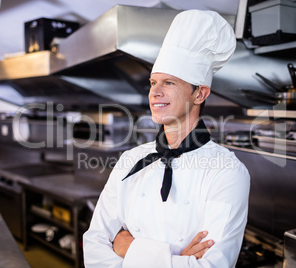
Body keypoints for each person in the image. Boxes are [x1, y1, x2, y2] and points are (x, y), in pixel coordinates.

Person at [83, 9, 250, 267]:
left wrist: (127, 248)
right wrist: (176, 260)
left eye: (169, 83)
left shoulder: (227, 172)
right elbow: (94, 247)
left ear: (199, 94)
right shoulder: (131, 159)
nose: (155, 93)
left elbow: (212, 265)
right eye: (152, 82)